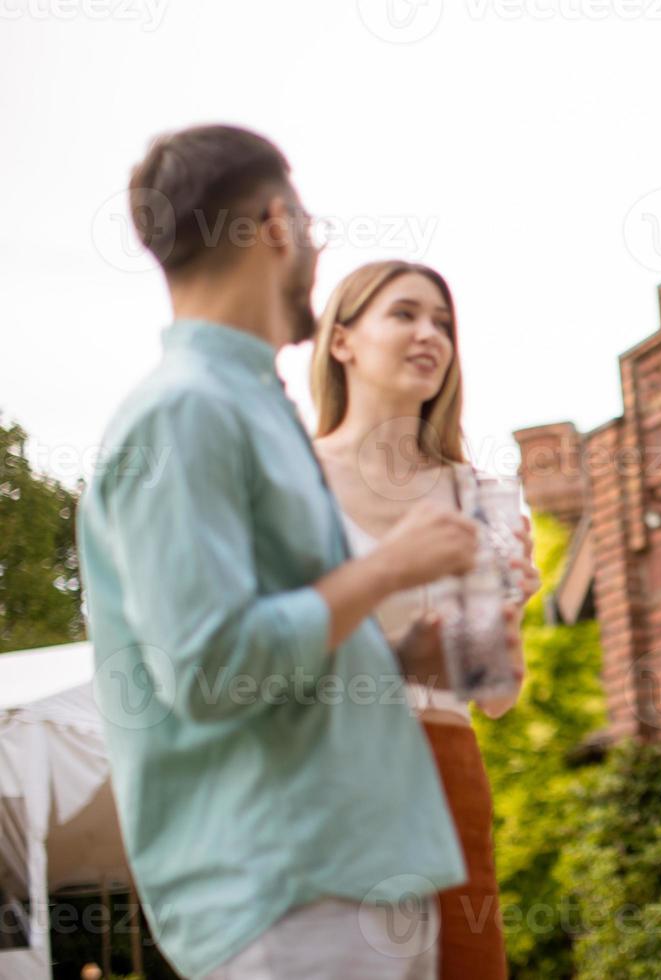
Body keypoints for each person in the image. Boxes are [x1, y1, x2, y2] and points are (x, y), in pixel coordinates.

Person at [77, 125, 473, 979]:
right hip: (288, 898)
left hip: (355, 877)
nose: (318, 250)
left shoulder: (251, 403)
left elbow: (278, 640)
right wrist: (389, 568)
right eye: (312, 227)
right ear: (277, 225)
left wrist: (401, 651)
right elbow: (211, 666)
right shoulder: (184, 413)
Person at [311, 260, 538, 980]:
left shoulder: (475, 492)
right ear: (342, 341)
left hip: (445, 762)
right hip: (324, 763)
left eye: (442, 322)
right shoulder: (292, 476)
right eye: (404, 314)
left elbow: (494, 697)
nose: (430, 334)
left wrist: (513, 606)